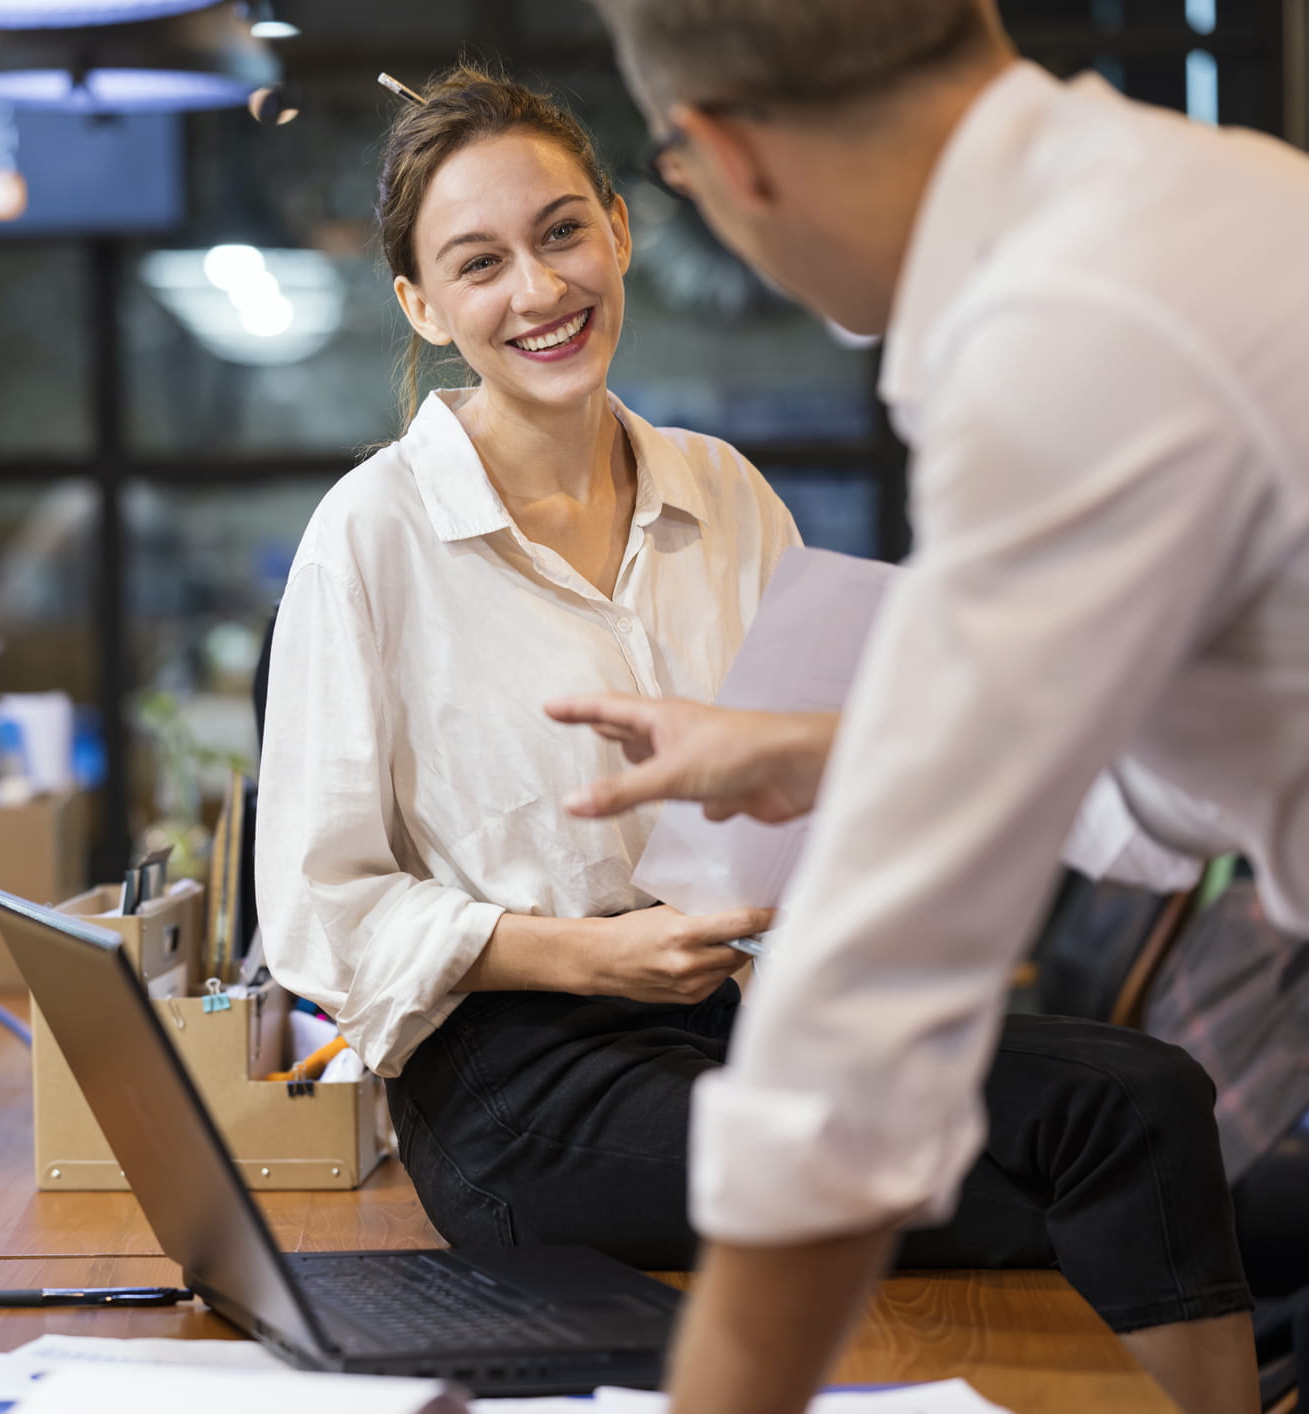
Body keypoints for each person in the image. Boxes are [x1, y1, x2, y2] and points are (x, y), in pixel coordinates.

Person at [254, 66, 1252, 1414]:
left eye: (559, 232)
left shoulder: (719, 488)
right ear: (420, 307)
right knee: (1105, 1178)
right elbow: (320, 910)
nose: (538, 291)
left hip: (746, 1013)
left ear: (615, 226)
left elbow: (810, 785)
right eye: (477, 264)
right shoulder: (371, 535)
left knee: (1138, 1096)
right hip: (521, 1081)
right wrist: (587, 952)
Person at [544, 1, 1309, 1410]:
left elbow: (874, 1005)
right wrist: (836, 752)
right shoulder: (1205, 200)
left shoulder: (1061, 334)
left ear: (719, 154)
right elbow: (1201, 758)